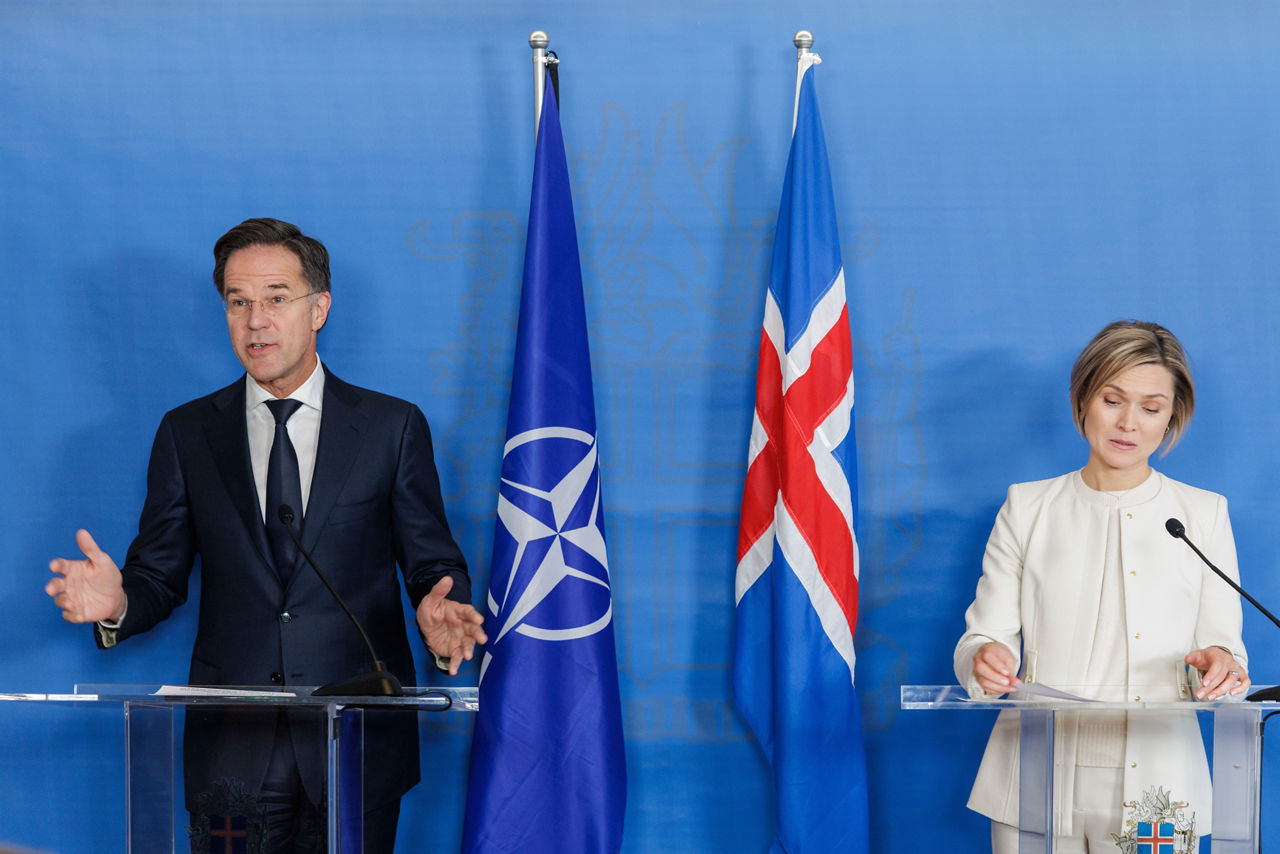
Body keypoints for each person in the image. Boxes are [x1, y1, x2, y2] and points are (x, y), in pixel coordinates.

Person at [45, 217, 487, 854]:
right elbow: (157, 575)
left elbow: (432, 563)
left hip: (355, 737)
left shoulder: (392, 427)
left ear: (319, 309)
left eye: (277, 298)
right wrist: (117, 605)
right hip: (230, 747)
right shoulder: (188, 432)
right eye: (238, 301)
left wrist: (440, 617)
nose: (256, 320)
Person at [954, 320, 1250, 853]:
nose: (1128, 423)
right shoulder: (1027, 507)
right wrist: (986, 657)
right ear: (1084, 398)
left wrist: (1220, 663)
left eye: (1151, 407)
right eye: (1112, 399)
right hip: (1033, 779)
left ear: (1172, 418)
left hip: (1162, 784)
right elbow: (981, 638)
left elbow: (1224, 645)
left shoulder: (1203, 515)